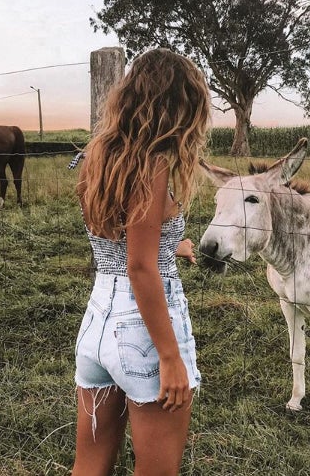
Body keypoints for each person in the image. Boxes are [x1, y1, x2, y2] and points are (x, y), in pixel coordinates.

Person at [71, 48, 210, 476]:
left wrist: (174, 246)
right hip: (144, 330)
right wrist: (170, 357)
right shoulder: (154, 164)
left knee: (89, 467)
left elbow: (121, 238)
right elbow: (140, 265)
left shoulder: (93, 158)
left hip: (98, 324)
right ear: (179, 105)